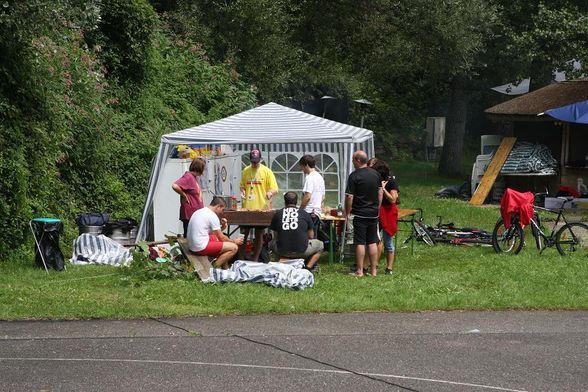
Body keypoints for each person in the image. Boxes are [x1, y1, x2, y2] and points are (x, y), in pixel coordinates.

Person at [345, 150, 382, 277]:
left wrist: (347, 211)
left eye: (353, 160)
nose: (353, 163)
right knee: (372, 241)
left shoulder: (354, 176)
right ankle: (373, 271)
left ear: (358, 161)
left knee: (360, 242)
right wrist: (378, 207)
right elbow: (380, 192)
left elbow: (350, 197)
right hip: (373, 213)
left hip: (360, 213)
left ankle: (360, 271)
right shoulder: (376, 174)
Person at [239, 149, 278, 261]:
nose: (254, 164)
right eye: (252, 162)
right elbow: (242, 185)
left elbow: (275, 188)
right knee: (243, 235)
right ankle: (241, 258)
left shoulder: (267, 171)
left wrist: (270, 192)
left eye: (256, 161)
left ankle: (255, 258)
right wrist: (242, 191)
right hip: (247, 208)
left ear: (260, 159)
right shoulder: (246, 170)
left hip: (261, 208)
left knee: (259, 234)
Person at [269, 191, 324, 270]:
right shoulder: (304, 214)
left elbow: (276, 235)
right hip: (302, 251)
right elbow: (311, 236)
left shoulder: (278, 214)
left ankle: (279, 263)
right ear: (297, 201)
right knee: (320, 245)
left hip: (281, 251)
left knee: (271, 243)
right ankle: (308, 268)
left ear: (285, 202)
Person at [187, 196, 243, 269]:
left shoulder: (200, 211)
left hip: (192, 246)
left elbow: (214, 234)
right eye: (222, 210)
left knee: (219, 240)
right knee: (234, 248)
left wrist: (223, 227)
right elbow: (222, 238)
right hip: (199, 248)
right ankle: (214, 269)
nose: (222, 213)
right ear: (218, 206)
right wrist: (234, 241)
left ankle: (225, 269)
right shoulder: (212, 215)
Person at [368, 158, 399, 275]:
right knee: (376, 240)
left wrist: (383, 188)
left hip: (388, 212)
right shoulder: (374, 179)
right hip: (377, 211)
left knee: (388, 241)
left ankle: (389, 268)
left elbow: (393, 199)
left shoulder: (391, 181)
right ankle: (374, 265)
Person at [172, 157, 205, 238]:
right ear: (199, 168)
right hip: (190, 214)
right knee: (190, 237)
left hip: (195, 213)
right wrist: (184, 195)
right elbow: (175, 186)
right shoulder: (188, 177)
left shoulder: (194, 177)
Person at [299, 155, 325, 239]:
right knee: (314, 237)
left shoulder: (309, 178)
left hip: (309, 212)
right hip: (316, 212)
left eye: (302, 167)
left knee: (308, 238)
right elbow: (323, 197)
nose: (302, 169)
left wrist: (300, 210)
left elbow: (307, 196)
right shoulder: (320, 177)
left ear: (306, 165)